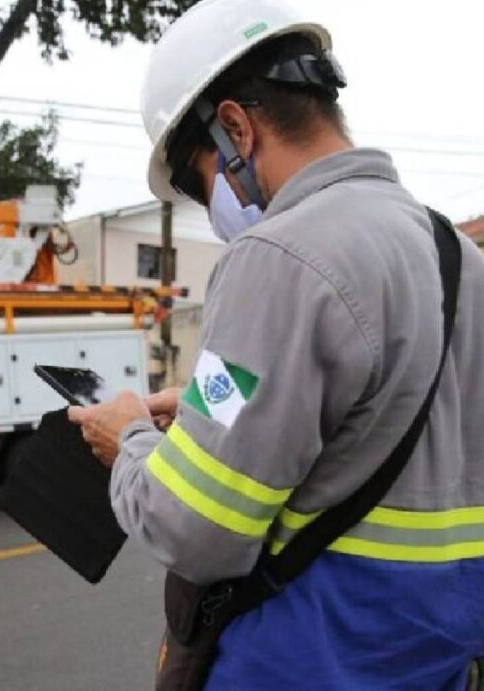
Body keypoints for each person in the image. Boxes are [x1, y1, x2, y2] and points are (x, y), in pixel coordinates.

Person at [68, 0, 484, 688]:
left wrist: (130, 438)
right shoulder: (458, 256)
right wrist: (209, 413)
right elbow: (376, 422)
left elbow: (195, 530)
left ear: (236, 128)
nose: (213, 210)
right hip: (434, 663)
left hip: (310, 658)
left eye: (200, 182)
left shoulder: (280, 254)